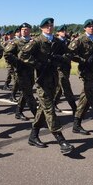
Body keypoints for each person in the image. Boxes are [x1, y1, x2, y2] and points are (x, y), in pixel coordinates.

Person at [20, 17, 74, 155]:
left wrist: (60, 59)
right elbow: (22, 54)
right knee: (49, 110)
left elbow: (69, 53)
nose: (49, 27)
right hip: (42, 80)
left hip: (54, 79)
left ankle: (33, 135)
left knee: (43, 109)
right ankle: (61, 140)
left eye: (51, 25)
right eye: (46, 26)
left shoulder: (56, 41)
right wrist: (37, 64)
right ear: (41, 28)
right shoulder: (37, 41)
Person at [4, 23, 38, 121]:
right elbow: (7, 54)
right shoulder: (15, 42)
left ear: (30, 30)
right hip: (20, 71)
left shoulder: (33, 42)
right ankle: (37, 115)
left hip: (31, 70)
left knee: (25, 92)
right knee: (28, 93)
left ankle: (18, 112)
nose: (24, 31)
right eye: (22, 29)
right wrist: (17, 63)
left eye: (26, 29)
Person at [53, 24, 77, 115]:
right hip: (59, 68)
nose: (64, 32)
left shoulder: (68, 41)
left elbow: (72, 53)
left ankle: (53, 104)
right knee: (66, 87)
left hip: (67, 67)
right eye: (62, 31)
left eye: (65, 31)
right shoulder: (55, 42)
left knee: (59, 88)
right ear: (58, 32)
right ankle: (75, 108)